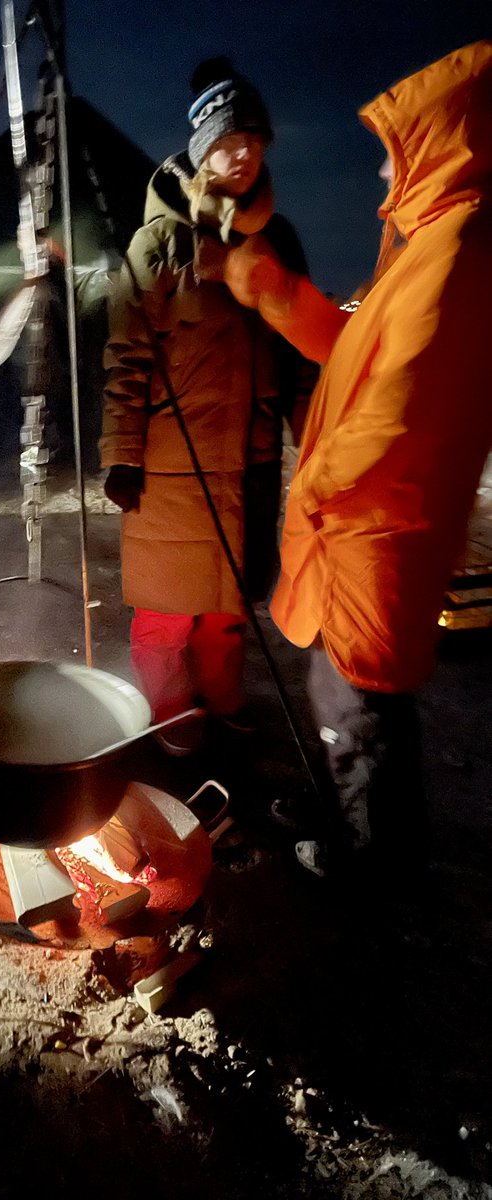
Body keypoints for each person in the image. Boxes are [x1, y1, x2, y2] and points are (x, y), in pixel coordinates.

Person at [224, 41, 492, 874]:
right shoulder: (431, 246)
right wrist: (274, 293)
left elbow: (397, 412)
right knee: (343, 685)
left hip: (377, 520)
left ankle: (372, 858)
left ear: (442, 146)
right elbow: (357, 349)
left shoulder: (460, 255)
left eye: (392, 158)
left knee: (361, 698)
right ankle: (352, 809)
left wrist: (318, 490)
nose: (381, 178)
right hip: (366, 518)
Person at [100, 57, 310, 754]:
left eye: (254, 140)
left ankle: (221, 698)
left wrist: (312, 442)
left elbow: (298, 357)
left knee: (225, 609)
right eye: (226, 142)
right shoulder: (157, 245)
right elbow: (126, 360)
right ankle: (169, 709)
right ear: (200, 152)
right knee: (166, 612)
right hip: (169, 470)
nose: (243, 154)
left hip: (246, 464)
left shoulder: (278, 245)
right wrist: (122, 455)